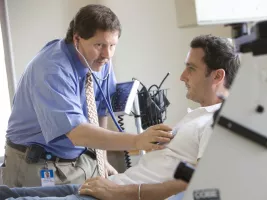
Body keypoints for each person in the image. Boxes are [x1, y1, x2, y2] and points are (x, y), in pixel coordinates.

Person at [0, 35, 240, 200]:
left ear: (217, 75)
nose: (181, 76)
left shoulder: (218, 123)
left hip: (115, 195)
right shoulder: (197, 117)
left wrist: (122, 193)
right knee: (6, 193)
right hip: (110, 187)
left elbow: (198, 183)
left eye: (192, 68)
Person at [1, 4, 173, 187]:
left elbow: (100, 111)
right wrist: (137, 141)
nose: (107, 55)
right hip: (38, 164)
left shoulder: (100, 62)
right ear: (77, 39)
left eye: (112, 45)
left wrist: (102, 159)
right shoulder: (53, 69)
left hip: (79, 158)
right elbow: (77, 132)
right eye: (99, 45)